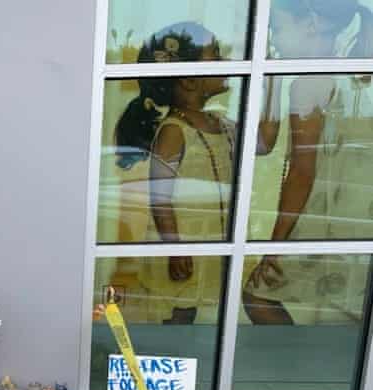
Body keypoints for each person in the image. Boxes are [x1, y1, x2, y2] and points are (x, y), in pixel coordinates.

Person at [247, 0, 373, 325]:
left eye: (277, 27)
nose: (273, 40)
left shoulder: (311, 83)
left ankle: (293, 374)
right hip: (361, 219)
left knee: (258, 296)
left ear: (311, 24)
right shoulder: (359, 76)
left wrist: (274, 248)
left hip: (329, 221)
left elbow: (302, 173)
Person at [115, 23, 234, 325]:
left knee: (187, 309)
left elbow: (264, 142)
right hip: (181, 241)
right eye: (216, 57)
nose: (227, 64)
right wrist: (175, 247)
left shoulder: (218, 123)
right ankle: (164, 360)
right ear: (189, 80)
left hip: (204, 238)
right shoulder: (173, 132)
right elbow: (160, 196)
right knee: (176, 312)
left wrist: (270, 79)